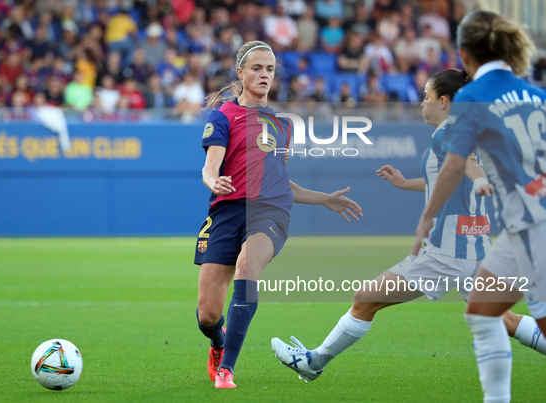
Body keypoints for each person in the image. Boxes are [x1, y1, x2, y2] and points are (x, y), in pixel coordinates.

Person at [272, 68, 546, 383]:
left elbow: (466, 166)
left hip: (446, 253)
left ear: (443, 101)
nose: (422, 104)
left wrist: (480, 178)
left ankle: (313, 362)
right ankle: (314, 361)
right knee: (505, 319)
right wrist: (404, 184)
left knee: (364, 299)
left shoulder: (449, 131)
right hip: (476, 248)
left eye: (426, 97)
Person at [195, 40, 363, 389]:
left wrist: (324, 199)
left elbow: (280, 182)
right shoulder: (224, 115)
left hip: (269, 212)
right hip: (226, 211)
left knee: (247, 266)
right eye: (256, 68)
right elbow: (209, 168)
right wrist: (216, 181)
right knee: (207, 315)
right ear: (240, 73)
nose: (264, 75)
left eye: (270, 69)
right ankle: (218, 342)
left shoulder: (282, 126)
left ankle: (227, 369)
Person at [413, 11, 546, 403]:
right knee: (482, 310)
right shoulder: (535, 92)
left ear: (464, 54)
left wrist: (426, 217)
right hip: (522, 224)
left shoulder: (472, 96)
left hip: (532, 224)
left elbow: (455, 164)